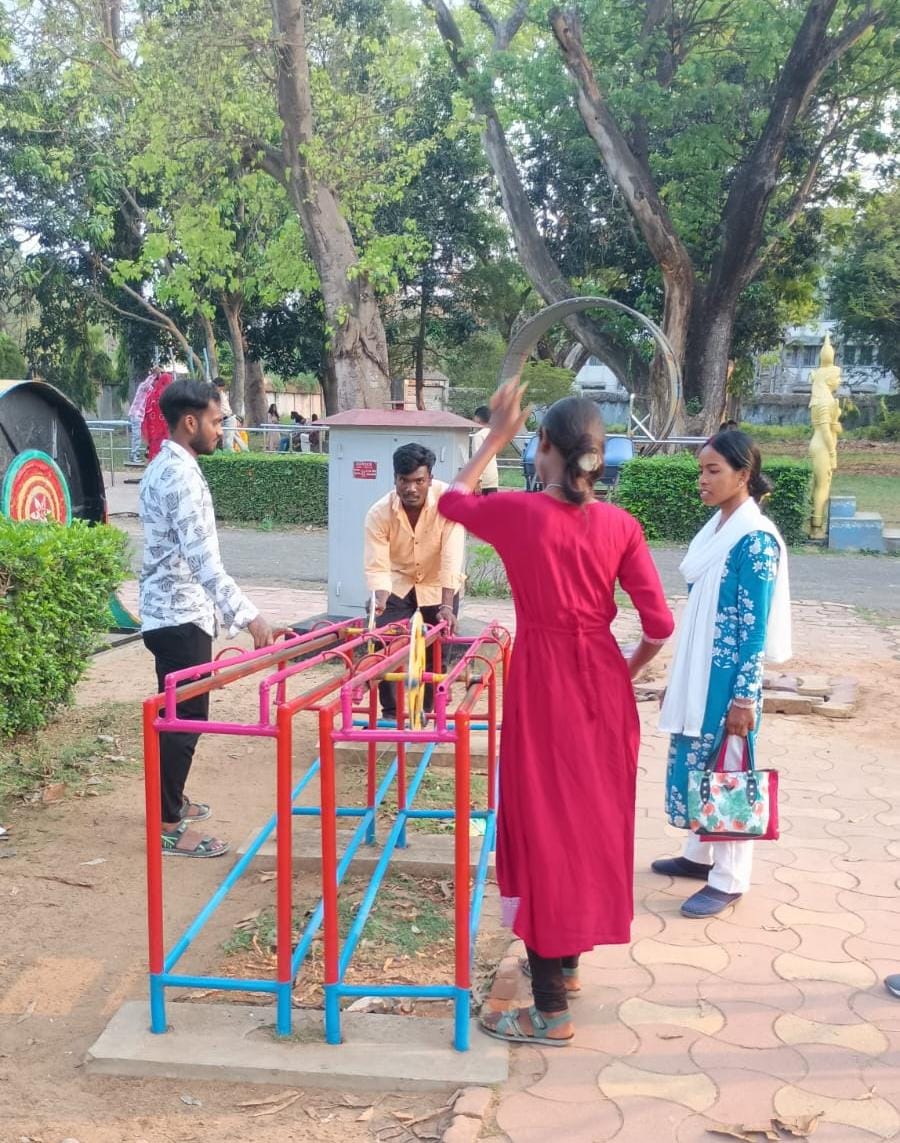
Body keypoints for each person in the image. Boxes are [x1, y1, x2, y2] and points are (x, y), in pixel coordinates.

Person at [439, 383, 674, 1047]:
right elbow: (659, 625)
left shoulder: (523, 514)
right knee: (589, 826)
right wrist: (618, 675)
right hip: (602, 685)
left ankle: (550, 1012)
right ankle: (565, 968)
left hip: (544, 684)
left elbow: (450, 500)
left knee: (542, 828)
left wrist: (492, 436)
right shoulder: (622, 526)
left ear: (543, 449)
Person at [654, 429, 791, 917]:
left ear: (743, 475)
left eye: (713, 471)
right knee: (696, 760)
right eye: (700, 470)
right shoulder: (717, 529)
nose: (702, 480)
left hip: (728, 679)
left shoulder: (753, 541)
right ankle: (699, 855)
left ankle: (731, 877)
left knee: (727, 768)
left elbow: (754, 629)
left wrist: (745, 699)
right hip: (701, 672)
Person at [139, 379, 276, 858]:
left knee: (177, 718)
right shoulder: (177, 475)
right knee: (184, 720)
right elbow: (205, 563)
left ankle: (169, 803)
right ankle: (168, 825)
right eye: (217, 421)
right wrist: (251, 618)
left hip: (175, 613)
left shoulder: (172, 466)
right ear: (190, 422)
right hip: (178, 616)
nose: (221, 430)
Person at [364, 443, 465, 721]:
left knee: (437, 645)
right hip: (397, 583)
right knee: (385, 642)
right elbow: (377, 564)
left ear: (430, 479)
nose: (411, 488)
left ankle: (429, 713)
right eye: (404, 481)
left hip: (437, 582)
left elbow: (451, 557)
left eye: (419, 481)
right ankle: (391, 714)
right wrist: (380, 601)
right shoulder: (378, 513)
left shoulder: (449, 503)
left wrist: (447, 606)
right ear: (395, 479)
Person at [128, 366, 160, 463]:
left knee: (142, 435)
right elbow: (148, 382)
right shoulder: (143, 386)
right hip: (136, 414)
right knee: (136, 435)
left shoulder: (151, 389)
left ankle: (137, 454)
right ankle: (134, 455)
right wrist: (154, 374)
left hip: (140, 415)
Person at [141, 371, 174, 461]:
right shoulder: (167, 397)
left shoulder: (151, 395)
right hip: (164, 433)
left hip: (153, 434)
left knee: (154, 458)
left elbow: (146, 415)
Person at [471, 406, 499, 495]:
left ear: (477, 418)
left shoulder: (479, 436)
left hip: (483, 482)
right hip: (493, 479)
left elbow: (478, 460)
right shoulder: (493, 434)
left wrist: (477, 482)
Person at [213, 377, 237, 451]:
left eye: (221, 387)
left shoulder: (221, 394)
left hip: (228, 419)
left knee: (227, 444)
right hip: (222, 420)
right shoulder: (215, 394)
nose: (221, 389)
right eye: (220, 387)